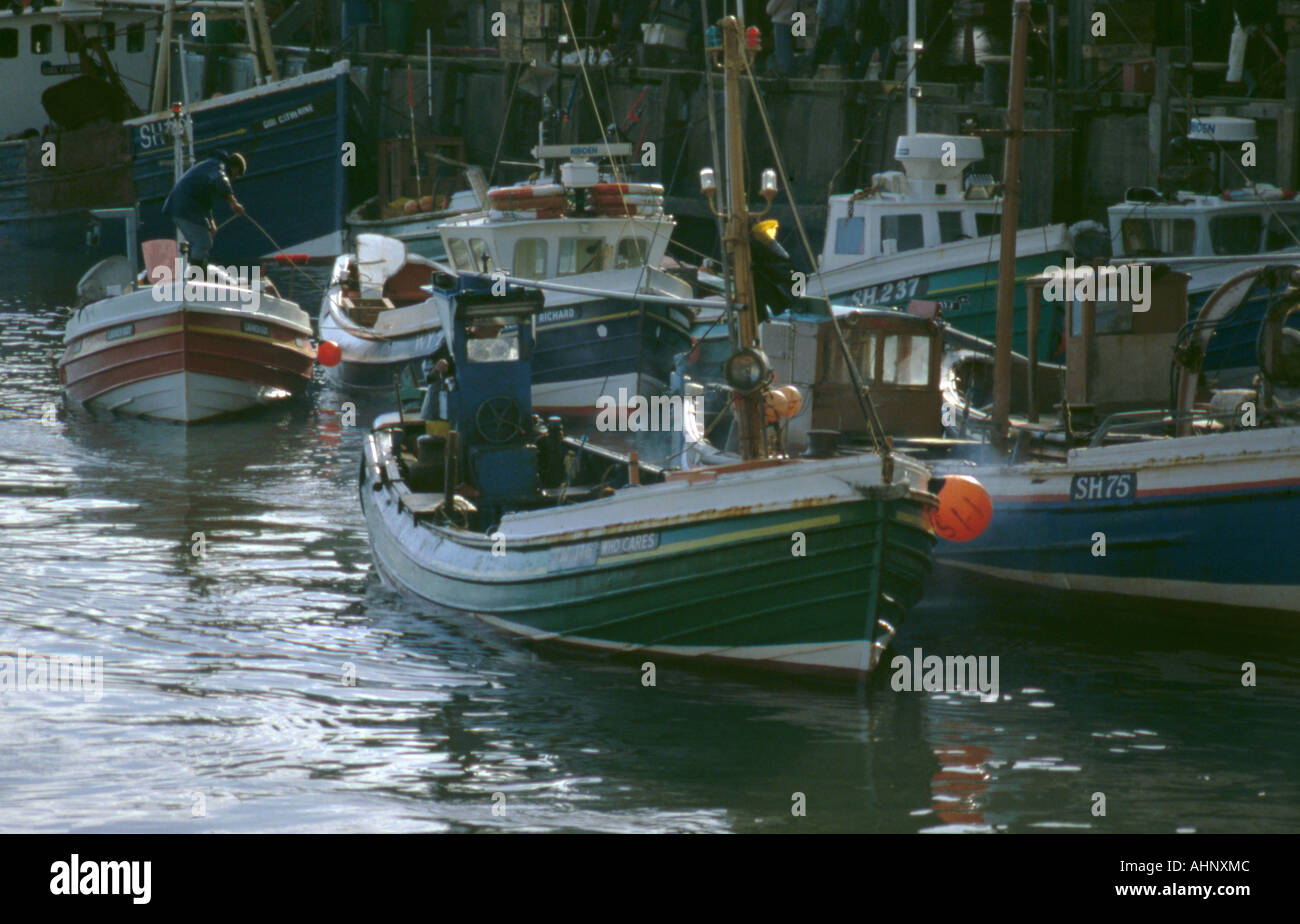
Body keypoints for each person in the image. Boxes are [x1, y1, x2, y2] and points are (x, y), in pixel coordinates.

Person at [161, 151, 246, 270]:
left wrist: (211, 223)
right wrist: (233, 202)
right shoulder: (217, 166)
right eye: (236, 175)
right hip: (183, 206)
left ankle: (197, 273)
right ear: (235, 168)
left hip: (183, 206)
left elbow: (205, 203)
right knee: (203, 242)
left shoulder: (211, 167)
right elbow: (220, 179)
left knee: (203, 240)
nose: (233, 179)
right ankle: (197, 278)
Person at [766, 0, 797, 76]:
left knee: (781, 49)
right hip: (791, 22)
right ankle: (789, 71)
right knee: (788, 49)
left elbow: (770, 9)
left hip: (781, 22)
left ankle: (783, 72)